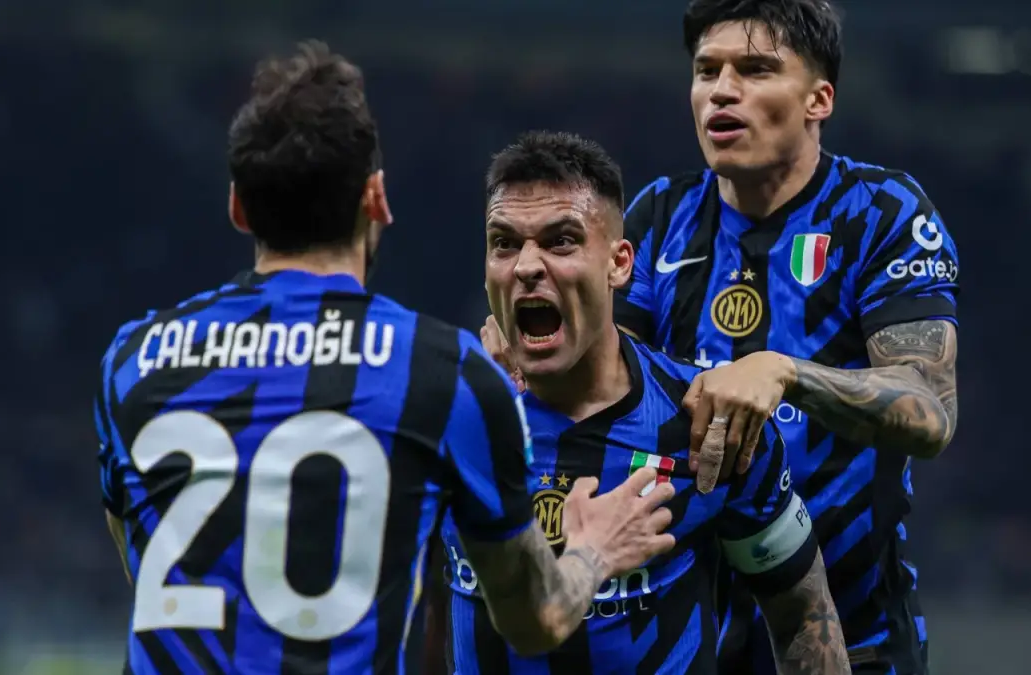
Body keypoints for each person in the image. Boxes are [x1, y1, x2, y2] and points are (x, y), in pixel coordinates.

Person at [93, 42, 677, 675]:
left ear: (238, 207)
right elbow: (536, 621)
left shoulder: (133, 361)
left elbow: (143, 561)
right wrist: (594, 550)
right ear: (376, 199)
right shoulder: (442, 372)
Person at [483, 2, 960, 673]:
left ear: (819, 99)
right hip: (702, 627)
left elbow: (929, 411)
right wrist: (518, 346)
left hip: (859, 633)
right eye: (707, 71)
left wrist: (784, 373)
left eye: (755, 69)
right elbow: (607, 390)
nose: (722, 90)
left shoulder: (882, 213)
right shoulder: (660, 216)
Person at [445, 130, 851, 675]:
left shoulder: (704, 421)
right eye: (504, 243)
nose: (526, 266)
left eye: (561, 241)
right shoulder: (448, 417)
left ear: (619, 264)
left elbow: (803, 617)